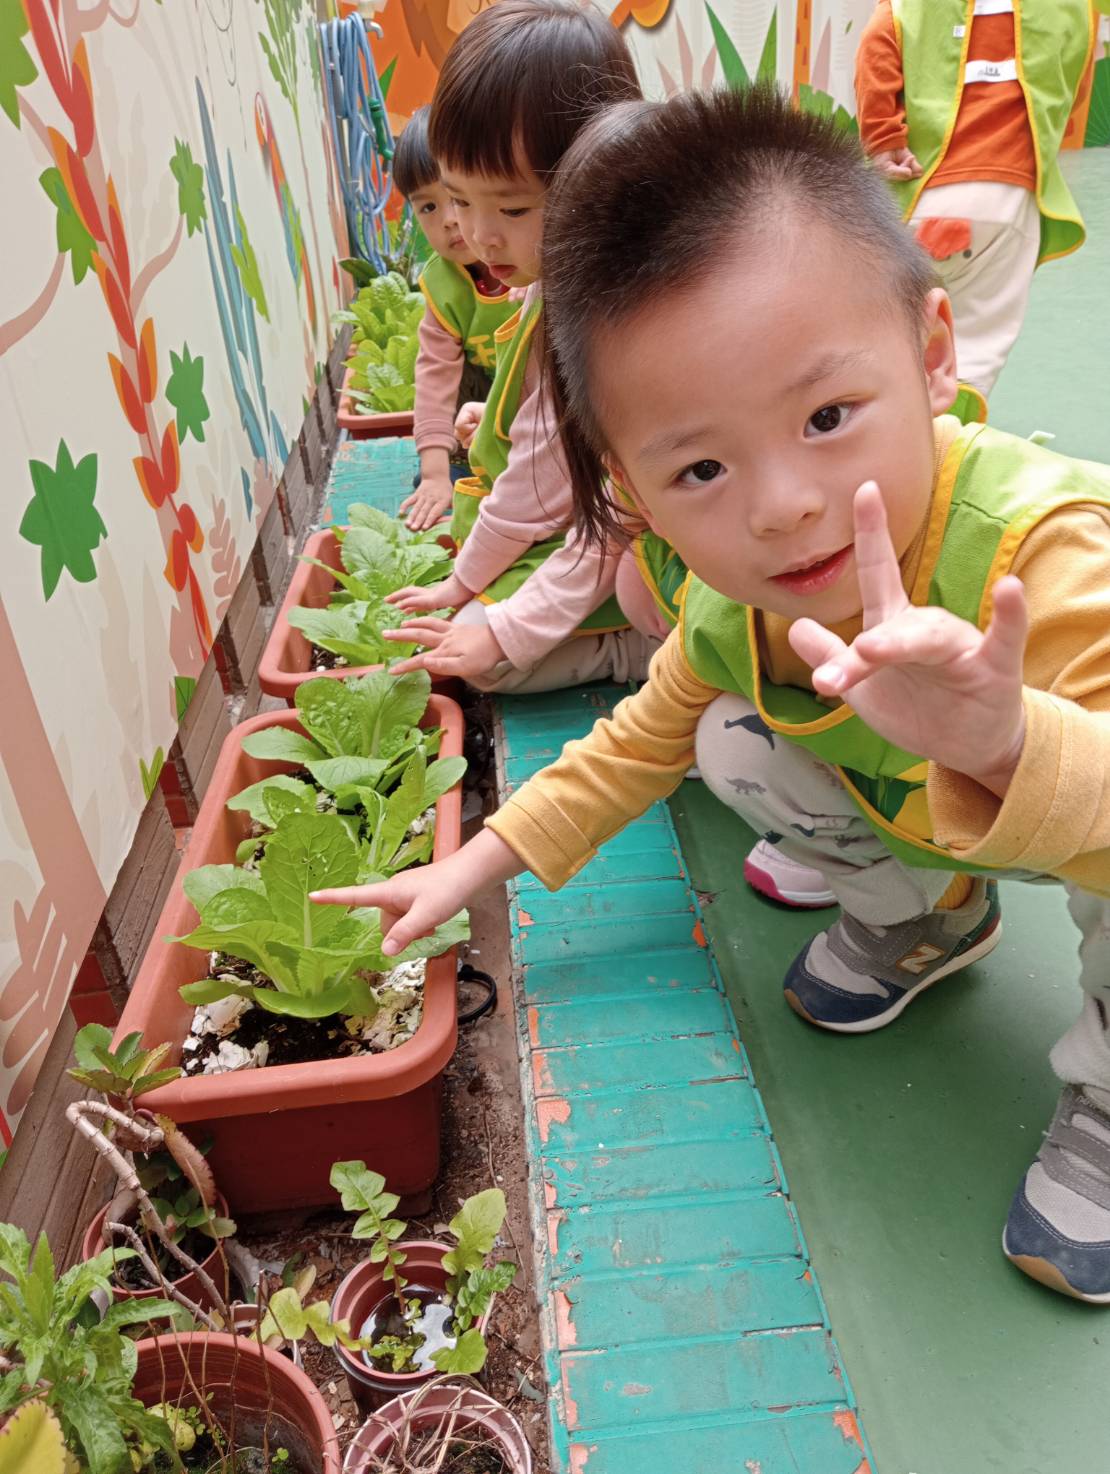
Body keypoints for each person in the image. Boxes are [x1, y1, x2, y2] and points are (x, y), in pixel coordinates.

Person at [316, 86, 1110, 1301]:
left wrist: (1007, 743)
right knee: (728, 740)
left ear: (934, 355)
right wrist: (464, 868)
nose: (781, 506)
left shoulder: (1044, 555)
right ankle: (929, 916)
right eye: (700, 467)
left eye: (828, 416)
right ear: (630, 488)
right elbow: (631, 746)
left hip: (1084, 813)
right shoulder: (739, 605)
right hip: (937, 808)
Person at [381, 0, 658, 696]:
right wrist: (495, 423)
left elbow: (544, 493)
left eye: (510, 208)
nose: (477, 235)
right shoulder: (554, 278)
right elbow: (541, 447)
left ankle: (640, 653)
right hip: (594, 527)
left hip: (636, 548)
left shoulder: (602, 324)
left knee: (489, 663)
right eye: (456, 199)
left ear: (603, 181)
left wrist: (469, 591)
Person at [854, 0, 1099, 398]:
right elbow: (1074, 91)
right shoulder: (1072, 7)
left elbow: (876, 44)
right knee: (968, 362)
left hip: (923, 198)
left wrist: (884, 137)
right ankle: (947, 431)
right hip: (1006, 201)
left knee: (889, 343)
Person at [391, 108, 518, 532]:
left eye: (457, 199)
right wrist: (434, 473)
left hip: (542, 395)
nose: (448, 220)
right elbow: (434, 377)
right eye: (428, 206)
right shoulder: (443, 284)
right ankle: (463, 465)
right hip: (482, 401)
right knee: (446, 477)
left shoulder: (530, 257)